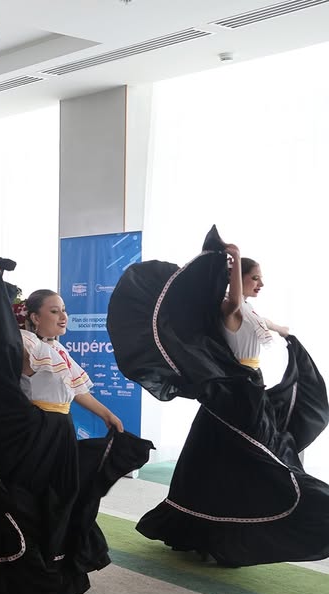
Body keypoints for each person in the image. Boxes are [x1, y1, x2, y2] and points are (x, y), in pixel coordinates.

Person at [0, 257, 151, 594]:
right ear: (33, 316)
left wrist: (108, 415)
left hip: (61, 435)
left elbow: (75, 391)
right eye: (54, 310)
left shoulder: (58, 350)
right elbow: (10, 369)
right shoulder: (25, 343)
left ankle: (52, 589)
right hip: (30, 436)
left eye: (64, 310)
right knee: (17, 507)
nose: (63, 316)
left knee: (59, 508)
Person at [109, 227, 329, 566]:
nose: (261, 283)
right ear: (238, 280)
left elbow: (271, 325)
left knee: (216, 461)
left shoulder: (251, 313)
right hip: (235, 391)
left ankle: (209, 532)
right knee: (263, 455)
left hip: (250, 388)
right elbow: (236, 303)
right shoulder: (230, 309)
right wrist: (235, 259)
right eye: (255, 277)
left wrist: (288, 335)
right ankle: (310, 505)